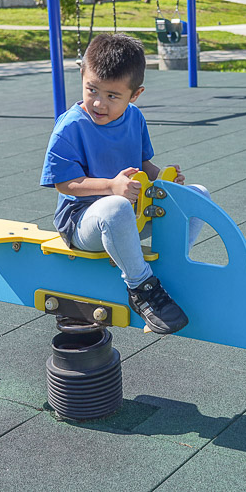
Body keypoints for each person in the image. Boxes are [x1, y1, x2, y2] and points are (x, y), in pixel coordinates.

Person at [40, 34, 205, 335]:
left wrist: (165, 179)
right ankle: (141, 289)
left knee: (197, 196)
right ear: (82, 77)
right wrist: (111, 187)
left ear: (135, 94)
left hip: (131, 213)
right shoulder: (71, 126)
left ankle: (168, 271)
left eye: (113, 96)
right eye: (92, 90)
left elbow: (144, 166)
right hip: (82, 222)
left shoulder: (135, 118)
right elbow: (65, 184)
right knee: (115, 207)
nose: (99, 103)